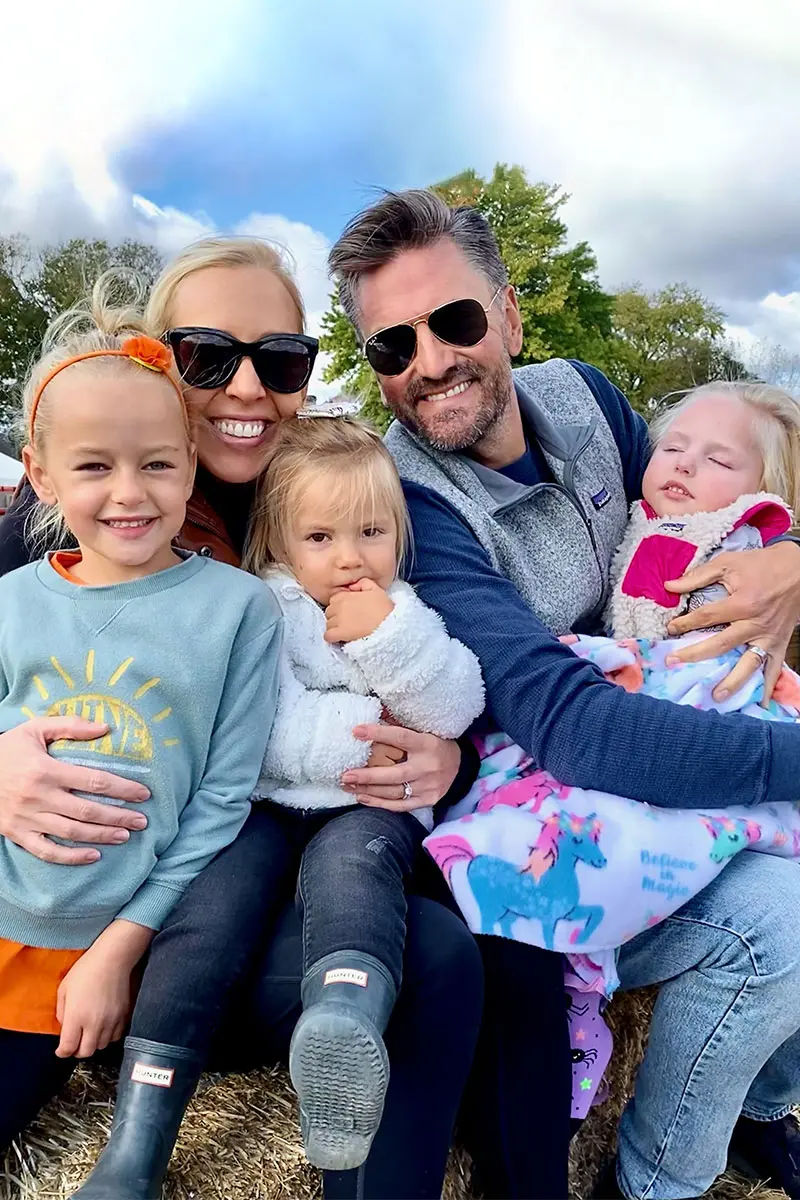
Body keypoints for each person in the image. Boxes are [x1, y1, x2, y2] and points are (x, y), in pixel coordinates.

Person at [327, 189, 800, 1200]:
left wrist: (789, 551)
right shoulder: (408, 503)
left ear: (506, 314)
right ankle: (654, 1181)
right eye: (390, 348)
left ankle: (762, 1103)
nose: (428, 363)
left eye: (451, 323)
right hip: (544, 825)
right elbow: (571, 730)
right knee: (785, 915)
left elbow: (696, 517)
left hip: (651, 757)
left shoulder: (584, 397)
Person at [0, 238, 484, 1200]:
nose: (249, 388)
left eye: (283, 359)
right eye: (208, 355)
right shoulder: (61, 526)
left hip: (201, 887)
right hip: (61, 907)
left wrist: (445, 757)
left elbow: (447, 660)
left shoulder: (336, 491)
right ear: (153, 362)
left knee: (437, 957)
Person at [0, 292, 281, 1192]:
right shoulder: (10, 604)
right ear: (40, 476)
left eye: (157, 464)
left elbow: (220, 803)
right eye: (94, 467)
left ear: (192, 463)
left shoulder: (240, 611)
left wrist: (120, 947)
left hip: (79, 953)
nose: (130, 493)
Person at [426, 380, 800, 999]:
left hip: (708, 679)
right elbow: (582, 727)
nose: (684, 463)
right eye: (673, 447)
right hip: (621, 701)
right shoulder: (420, 495)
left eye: (718, 459)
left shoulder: (730, 528)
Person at [241, 412, 483, 1169]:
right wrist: (370, 725)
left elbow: (455, 705)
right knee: (226, 887)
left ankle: (346, 1010)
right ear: (281, 540)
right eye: (321, 539)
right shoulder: (264, 609)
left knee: (355, 866)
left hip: (370, 808)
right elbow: (257, 729)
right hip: (278, 803)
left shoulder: (404, 608)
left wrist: (387, 635)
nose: (352, 559)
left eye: (371, 533)